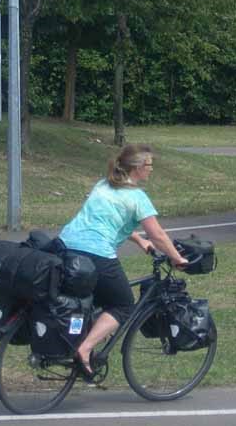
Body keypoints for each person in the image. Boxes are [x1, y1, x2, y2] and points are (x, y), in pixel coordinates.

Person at [59, 143, 188, 377]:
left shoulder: (104, 185)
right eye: (149, 165)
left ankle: (82, 336)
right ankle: (85, 349)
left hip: (65, 246)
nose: (151, 169)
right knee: (123, 305)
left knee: (92, 300)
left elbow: (107, 219)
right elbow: (158, 235)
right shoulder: (137, 197)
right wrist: (177, 258)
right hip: (96, 253)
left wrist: (139, 241)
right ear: (138, 167)